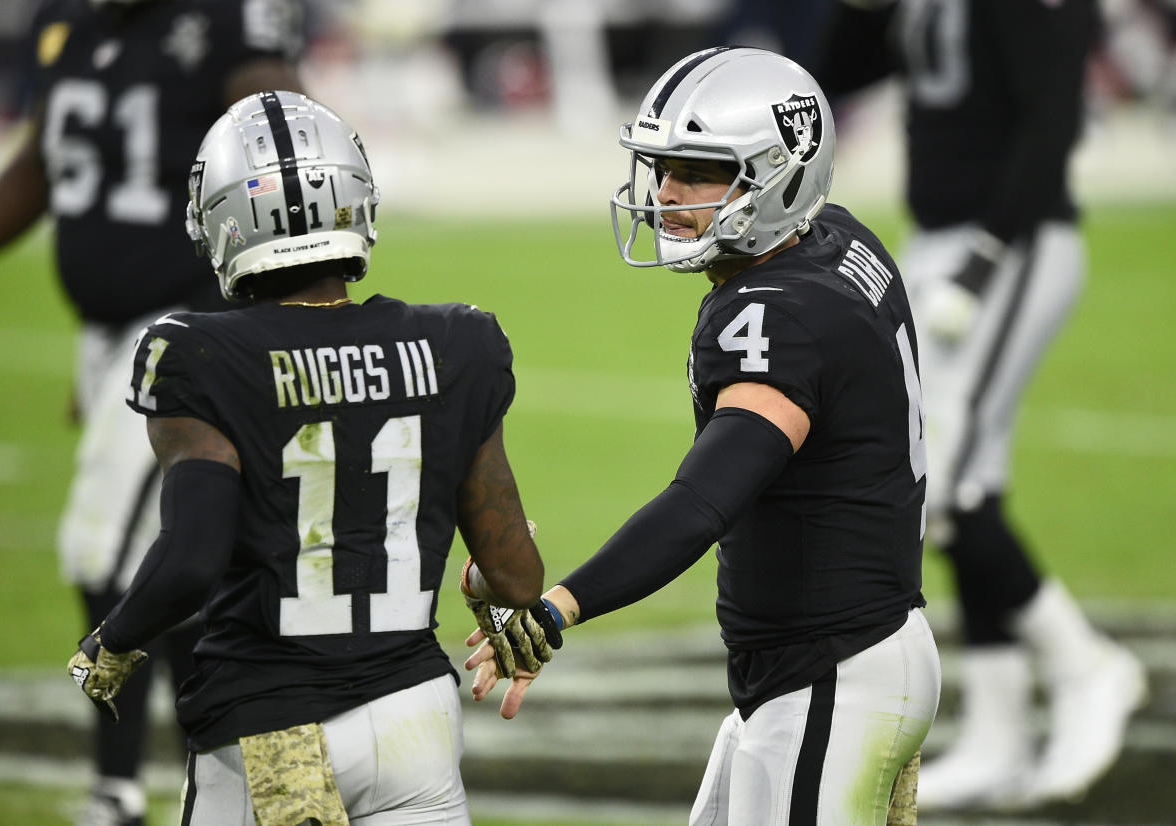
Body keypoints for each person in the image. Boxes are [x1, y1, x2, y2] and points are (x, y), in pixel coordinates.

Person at [464, 47, 941, 825]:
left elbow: (703, 500)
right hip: (844, 656)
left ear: (780, 176)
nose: (665, 194)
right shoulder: (834, 239)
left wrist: (558, 607)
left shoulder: (774, 317)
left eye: (696, 172)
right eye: (661, 168)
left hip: (833, 672)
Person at [66, 89, 547, 825]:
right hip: (415, 717)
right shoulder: (461, 341)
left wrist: (114, 640)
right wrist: (482, 580)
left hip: (269, 722)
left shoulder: (196, 352)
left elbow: (191, 558)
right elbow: (516, 575)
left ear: (221, 217)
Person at [0, 1, 306, 823]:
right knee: (170, 556)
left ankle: (121, 788)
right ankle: (203, 772)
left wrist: (259, 315)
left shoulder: (224, 20)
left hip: (187, 324)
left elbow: (288, 134)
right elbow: (43, 162)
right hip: (114, 336)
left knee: (101, 548)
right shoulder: (65, 19)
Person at [813, 0, 1147, 810]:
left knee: (947, 488)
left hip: (1013, 240)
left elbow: (1052, 116)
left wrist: (987, 253)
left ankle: (1087, 668)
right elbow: (835, 74)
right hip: (941, 239)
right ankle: (998, 734)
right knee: (958, 486)